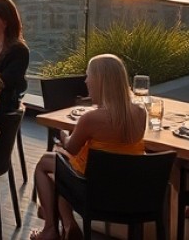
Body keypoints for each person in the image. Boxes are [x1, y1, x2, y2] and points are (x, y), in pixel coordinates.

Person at [30, 54, 146, 240]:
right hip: (131, 189)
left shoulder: (91, 119)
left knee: (48, 163)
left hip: (96, 191)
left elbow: (72, 148)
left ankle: (51, 229)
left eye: (88, 76)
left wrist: (62, 133)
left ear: (100, 81)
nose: (86, 81)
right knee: (60, 166)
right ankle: (67, 225)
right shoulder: (140, 112)